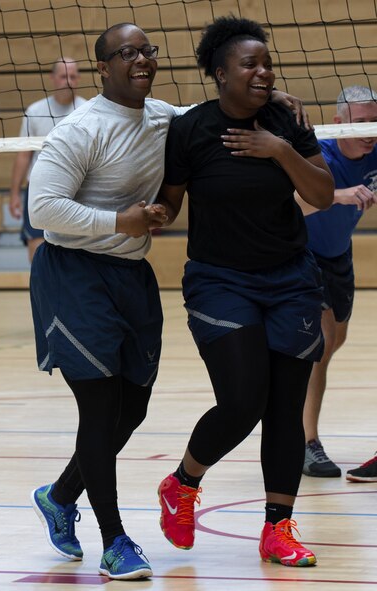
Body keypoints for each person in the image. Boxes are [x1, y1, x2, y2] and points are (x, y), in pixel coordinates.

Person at [154, 16, 333, 568]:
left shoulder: (285, 122)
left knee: (284, 408)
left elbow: (322, 194)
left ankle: (278, 527)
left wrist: (279, 148)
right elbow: (171, 198)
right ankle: (182, 483)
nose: (263, 72)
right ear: (218, 72)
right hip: (219, 280)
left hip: (290, 280)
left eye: (266, 63)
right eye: (249, 64)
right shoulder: (190, 129)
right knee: (243, 400)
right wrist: (148, 216)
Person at [26, 23, 178, 581]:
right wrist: (120, 220)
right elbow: (43, 207)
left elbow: (211, 124)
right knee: (98, 407)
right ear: (103, 67)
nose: (140, 59)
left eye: (147, 51)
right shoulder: (79, 130)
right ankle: (114, 540)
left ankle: (60, 495)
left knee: (132, 408)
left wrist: (273, 101)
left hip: (131, 273)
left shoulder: (163, 117)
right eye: (126, 53)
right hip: (73, 275)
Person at [298, 86, 377, 478]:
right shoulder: (319, 153)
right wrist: (340, 195)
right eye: (360, 123)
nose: (368, 131)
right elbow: (290, 202)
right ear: (339, 123)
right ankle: (306, 443)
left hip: (338, 256)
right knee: (322, 342)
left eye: (373, 122)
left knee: (333, 343)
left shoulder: (375, 151)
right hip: (301, 255)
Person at [8, 58, 86, 261]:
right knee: (36, 248)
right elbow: (24, 154)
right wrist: (15, 193)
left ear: (78, 79)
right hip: (38, 190)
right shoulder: (35, 111)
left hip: (77, 190)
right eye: (63, 76)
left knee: (76, 252)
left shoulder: (88, 111)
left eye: (72, 76)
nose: (68, 81)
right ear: (52, 78)